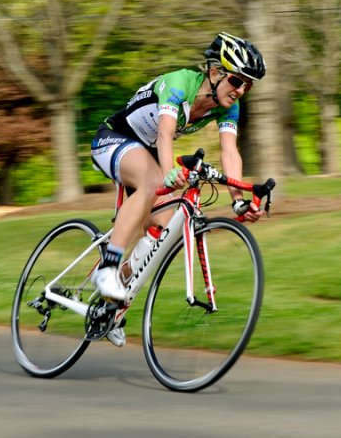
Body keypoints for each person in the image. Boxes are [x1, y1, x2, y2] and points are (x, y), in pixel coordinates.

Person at [89, 31, 266, 346]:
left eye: (248, 85)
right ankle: (107, 267)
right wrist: (170, 172)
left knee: (161, 229)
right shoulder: (179, 83)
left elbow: (230, 152)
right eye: (237, 81)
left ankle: (110, 304)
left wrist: (238, 199)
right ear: (215, 73)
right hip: (114, 139)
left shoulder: (227, 107)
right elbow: (165, 133)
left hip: (148, 152)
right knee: (150, 182)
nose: (241, 91)